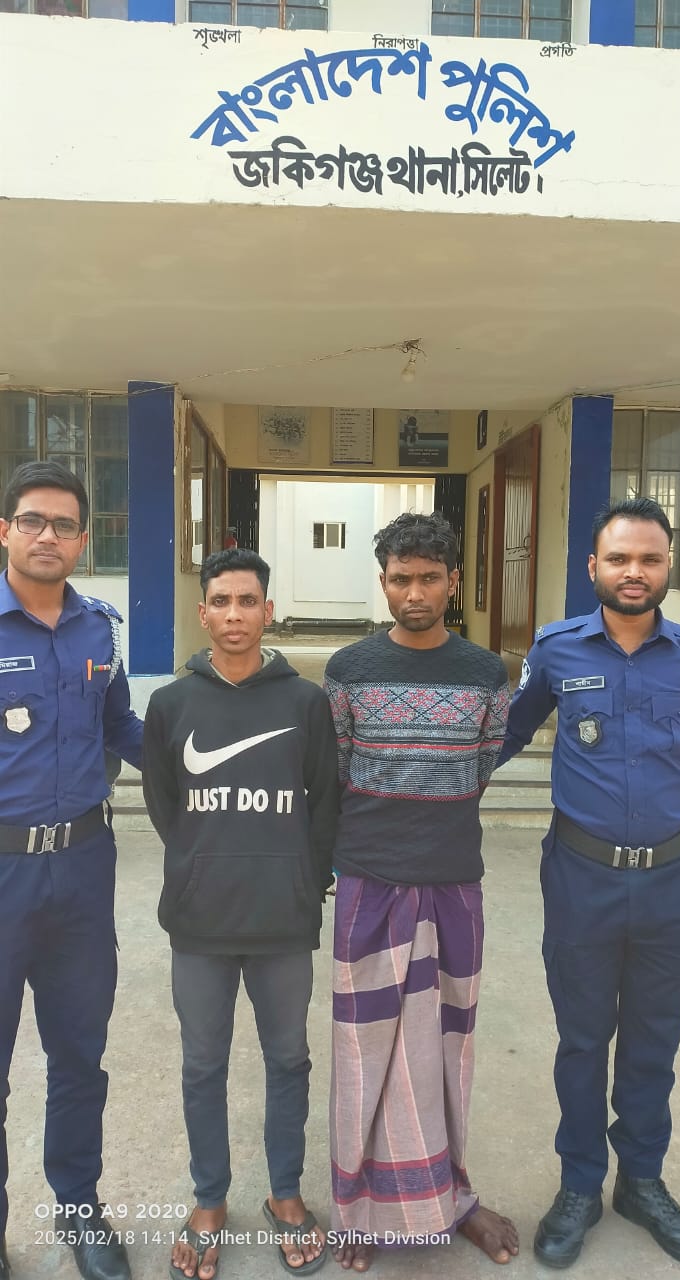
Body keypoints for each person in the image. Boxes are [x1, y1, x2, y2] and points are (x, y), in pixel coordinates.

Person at [498, 497, 680, 1270]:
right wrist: (421, 790)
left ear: (668, 567)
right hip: (581, 878)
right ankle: (580, 1185)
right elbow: (506, 735)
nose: (634, 572)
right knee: (583, 1040)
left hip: (672, 881)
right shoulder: (556, 650)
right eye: (619, 558)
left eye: (649, 559)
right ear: (593, 566)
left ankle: (643, 1183)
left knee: (654, 1042)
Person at [323, 511, 520, 1273]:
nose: (414, 593)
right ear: (383, 582)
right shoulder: (348, 669)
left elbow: (481, 764)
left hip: (452, 883)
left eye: (429, 579)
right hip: (368, 882)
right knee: (362, 1053)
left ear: (453, 583)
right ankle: (358, 1208)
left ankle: (449, 1199)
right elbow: (340, 768)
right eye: (401, 579)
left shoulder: (486, 674)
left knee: (447, 1052)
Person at [142, 548, 338, 1280]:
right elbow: (167, 807)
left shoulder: (304, 703)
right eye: (221, 601)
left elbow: (326, 805)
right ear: (204, 613)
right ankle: (210, 1200)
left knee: (289, 1060)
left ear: (268, 611)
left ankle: (285, 1192)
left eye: (247, 601)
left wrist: (301, 880)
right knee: (203, 1065)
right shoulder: (170, 706)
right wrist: (204, 867)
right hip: (200, 922)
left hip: (283, 920)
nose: (234, 614)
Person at [0, 460, 144, 1280]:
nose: (47, 535)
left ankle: (80, 1207)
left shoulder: (101, 631)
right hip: (1, 874)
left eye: (63, 524)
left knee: (79, 1056)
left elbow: (122, 727)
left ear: (83, 540)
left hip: (84, 869)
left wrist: (203, 764)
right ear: (6, 531)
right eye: (32, 520)